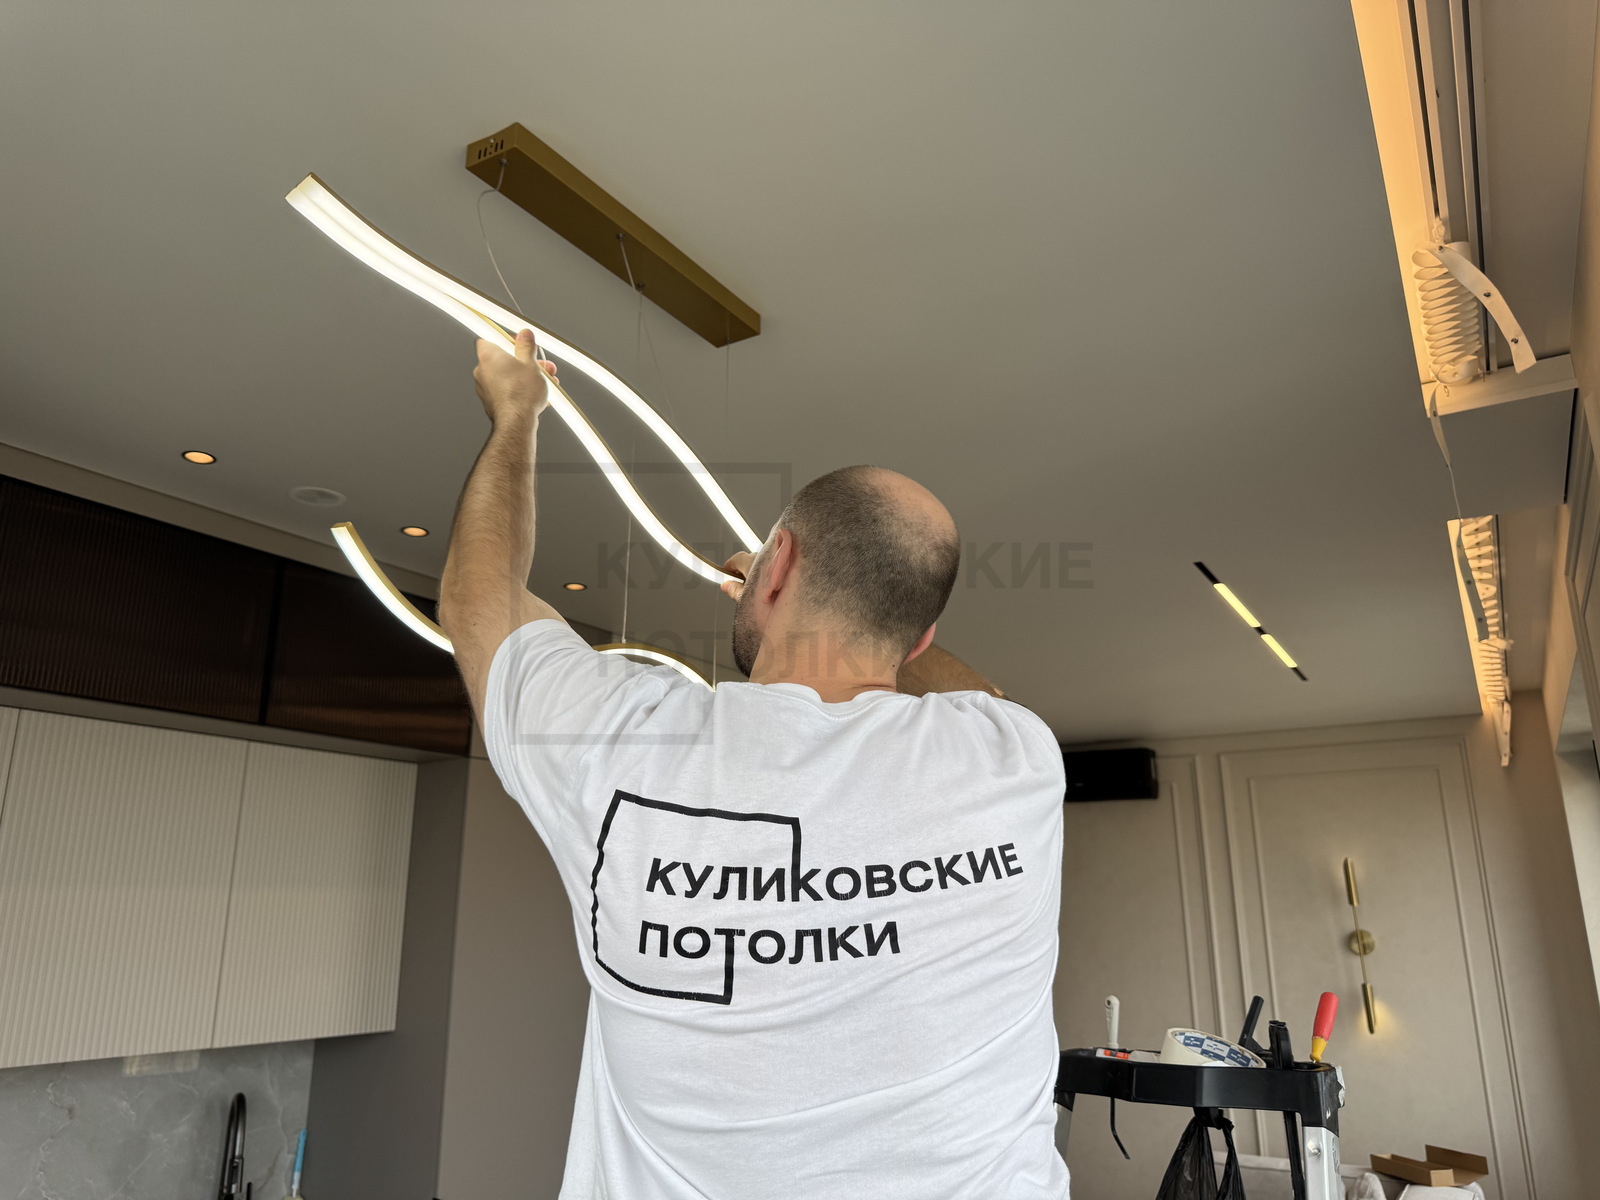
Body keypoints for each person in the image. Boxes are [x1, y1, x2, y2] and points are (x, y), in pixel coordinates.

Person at [440, 329, 1068, 1199]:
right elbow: (981, 695)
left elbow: (480, 605)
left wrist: (517, 414)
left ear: (778, 568)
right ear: (924, 638)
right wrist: (831, 607)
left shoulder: (625, 743)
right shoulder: (1017, 761)